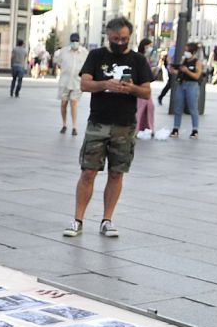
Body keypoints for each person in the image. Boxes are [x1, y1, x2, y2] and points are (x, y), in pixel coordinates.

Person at [62, 17, 153, 239]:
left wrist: (131, 88)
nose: (120, 42)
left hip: (125, 125)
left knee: (116, 174)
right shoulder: (96, 56)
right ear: (108, 37)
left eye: (124, 38)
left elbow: (147, 92)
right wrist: (105, 84)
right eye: (116, 39)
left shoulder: (138, 60)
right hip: (98, 122)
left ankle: (107, 220)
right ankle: (77, 220)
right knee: (88, 172)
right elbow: (84, 84)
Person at [53, 33, 87, 135]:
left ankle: (74, 126)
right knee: (64, 103)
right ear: (70, 41)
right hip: (65, 82)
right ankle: (64, 124)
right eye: (73, 41)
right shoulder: (64, 51)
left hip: (77, 82)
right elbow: (58, 63)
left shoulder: (84, 52)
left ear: (79, 41)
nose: (74, 43)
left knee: (73, 102)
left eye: (76, 41)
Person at [169, 42, 202, 138]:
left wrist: (187, 71)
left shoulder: (197, 62)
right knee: (178, 107)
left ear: (193, 51)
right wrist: (174, 71)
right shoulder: (184, 60)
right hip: (182, 84)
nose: (186, 52)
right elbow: (180, 72)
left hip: (192, 85)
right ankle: (175, 128)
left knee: (193, 108)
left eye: (188, 50)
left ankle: (195, 130)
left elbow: (197, 76)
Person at [135, 38, 157, 133]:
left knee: (149, 106)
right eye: (148, 46)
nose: (150, 48)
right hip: (140, 86)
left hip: (145, 85)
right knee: (141, 107)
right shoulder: (139, 57)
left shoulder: (147, 57)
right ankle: (138, 127)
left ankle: (146, 127)